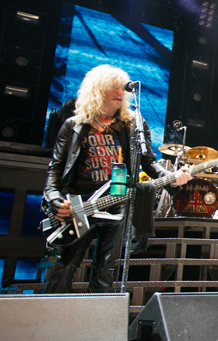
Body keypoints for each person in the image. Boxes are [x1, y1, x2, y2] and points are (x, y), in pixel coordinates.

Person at [43, 64, 192, 293]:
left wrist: (172, 177)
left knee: (106, 266)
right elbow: (55, 169)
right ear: (97, 89)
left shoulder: (133, 125)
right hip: (80, 203)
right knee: (67, 263)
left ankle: (99, 312)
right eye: (113, 87)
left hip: (116, 202)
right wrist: (54, 200)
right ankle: (52, 310)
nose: (119, 92)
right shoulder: (74, 126)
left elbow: (149, 162)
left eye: (122, 88)